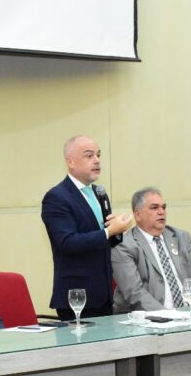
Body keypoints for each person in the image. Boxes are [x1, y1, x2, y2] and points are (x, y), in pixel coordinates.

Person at [41, 135, 134, 319]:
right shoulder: (57, 197)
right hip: (76, 296)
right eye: (89, 155)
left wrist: (115, 231)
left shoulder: (99, 193)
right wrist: (109, 231)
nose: (97, 160)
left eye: (98, 155)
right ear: (70, 162)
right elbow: (67, 242)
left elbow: (104, 241)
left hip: (104, 294)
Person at [112, 187, 191, 313]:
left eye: (163, 207)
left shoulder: (182, 238)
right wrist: (170, 316)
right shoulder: (124, 245)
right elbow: (134, 293)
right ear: (138, 215)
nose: (161, 212)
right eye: (154, 208)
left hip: (188, 315)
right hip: (146, 319)